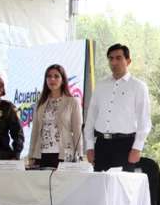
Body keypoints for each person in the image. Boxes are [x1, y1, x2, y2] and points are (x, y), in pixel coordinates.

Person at [84, 44, 152, 172]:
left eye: (119, 58)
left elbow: (144, 120)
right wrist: (89, 146)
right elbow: (91, 119)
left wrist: (137, 147)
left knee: (122, 188)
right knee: (101, 188)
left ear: (128, 61)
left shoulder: (138, 86)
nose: (114, 62)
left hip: (125, 145)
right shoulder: (100, 86)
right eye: (111, 59)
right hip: (102, 144)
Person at [28, 64, 83, 168]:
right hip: (42, 154)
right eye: (49, 76)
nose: (52, 79)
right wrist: (31, 155)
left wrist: (79, 154)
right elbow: (35, 130)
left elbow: (77, 130)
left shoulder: (72, 102)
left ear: (63, 80)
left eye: (56, 76)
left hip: (64, 154)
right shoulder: (41, 102)